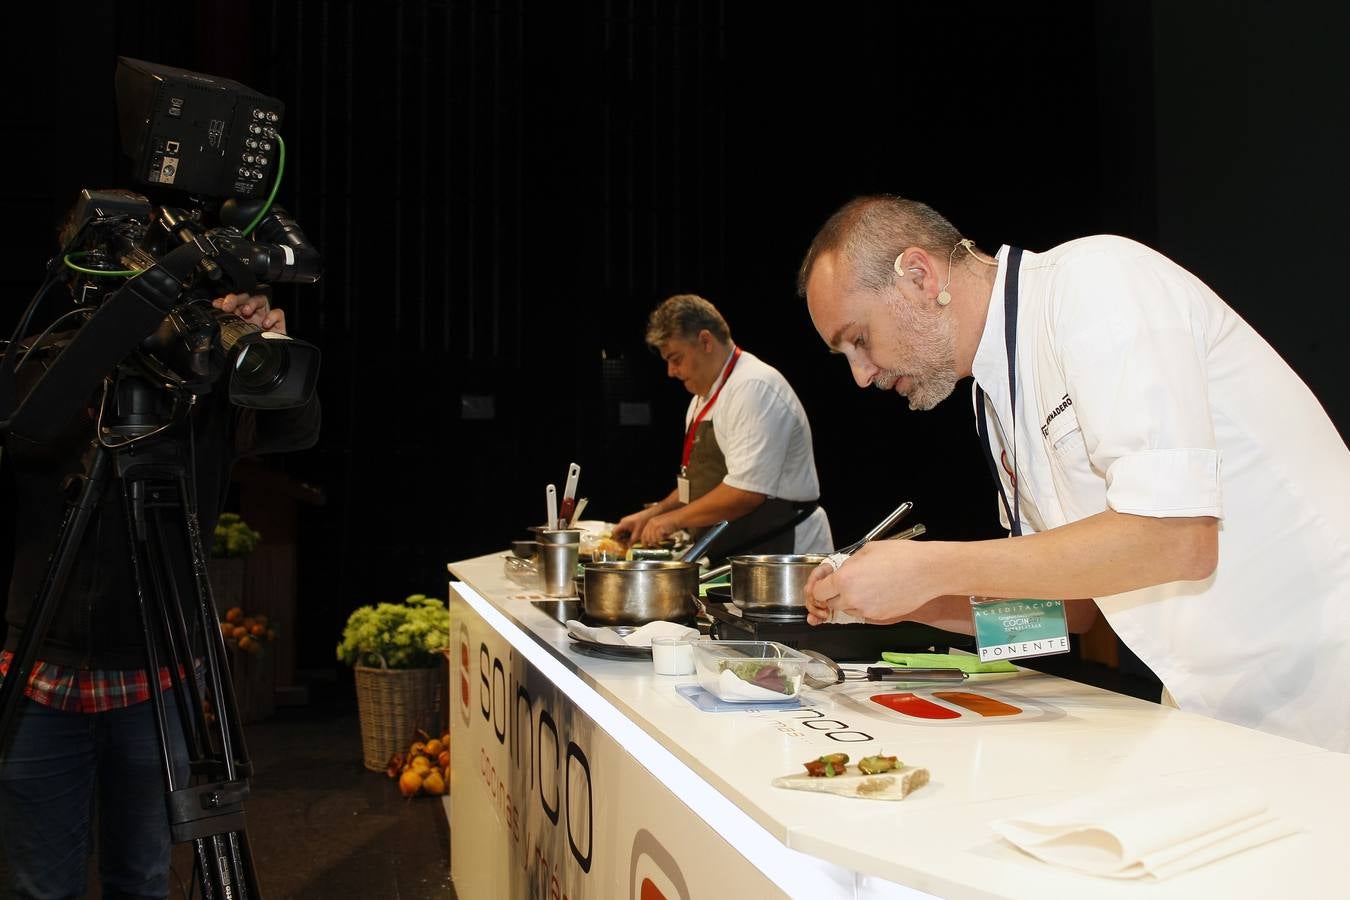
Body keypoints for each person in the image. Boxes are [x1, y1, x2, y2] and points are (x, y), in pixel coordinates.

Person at [797, 194, 1350, 752]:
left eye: (859, 340)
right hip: (1220, 708)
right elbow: (1067, 613)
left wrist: (929, 567)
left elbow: (1177, 538)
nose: (861, 377)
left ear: (919, 274)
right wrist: (897, 602)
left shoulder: (1095, 282)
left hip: (1326, 679)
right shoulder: (994, 398)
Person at [0, 282, 320, 898]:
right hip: (40, 672)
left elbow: (295, 427)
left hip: (156, 676)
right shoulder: (41, 364)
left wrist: (264, 345)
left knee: (143, 878)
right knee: (35, 886)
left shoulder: (200, 378)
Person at [613, 293, 833, 560]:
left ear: (706, 341)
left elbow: (745, 493)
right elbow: (696, 487)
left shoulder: (752, 386)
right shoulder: (700, 400)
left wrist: (672, 520)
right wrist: (653, 514)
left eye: (676, 358)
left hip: (783, 552)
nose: (671, 371)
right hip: (740, 552)